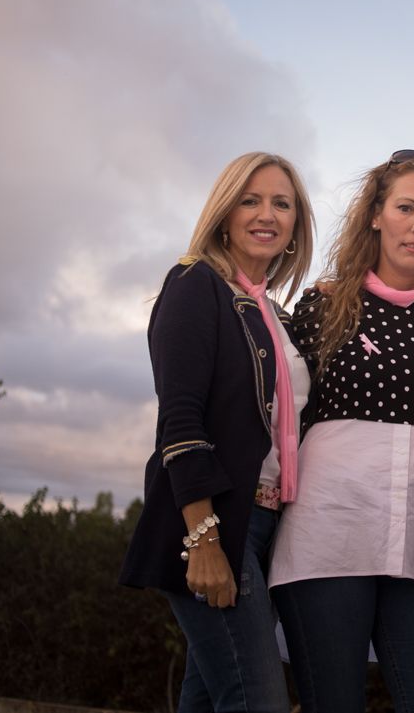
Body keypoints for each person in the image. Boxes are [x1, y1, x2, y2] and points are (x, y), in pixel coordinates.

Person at [269, 150, 414, 713]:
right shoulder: (322, 307)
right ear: (375, 214)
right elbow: (276, 411)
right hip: (328, 539)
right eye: (406, 208)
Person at [119, 152, 315, 713]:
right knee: (258, 702)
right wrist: (203, 540)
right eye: (250, 200)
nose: (267, 214)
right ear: (224, 214)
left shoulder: (273, 315)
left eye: (282, 203)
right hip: (218, 523)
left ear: (296, 225)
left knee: (207, 699)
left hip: (269, 525)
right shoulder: (193, 284)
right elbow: (180, 420)